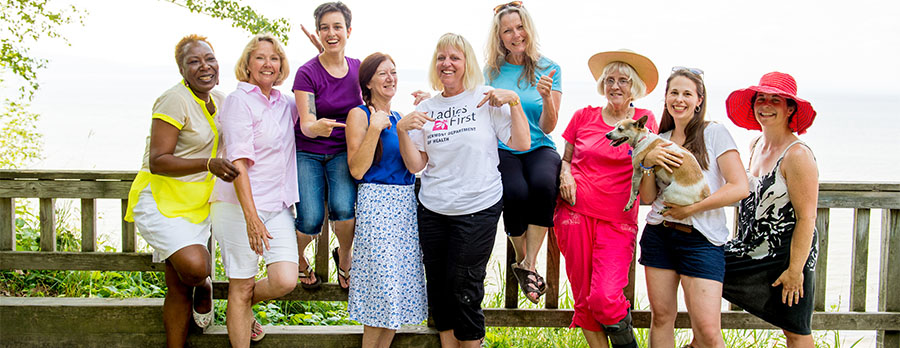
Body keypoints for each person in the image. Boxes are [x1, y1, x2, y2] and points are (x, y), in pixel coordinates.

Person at [396, 33, 530, 348]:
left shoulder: (484, 97)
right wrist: (403, 130)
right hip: (433, 209)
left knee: (465, 288)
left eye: (455, 57)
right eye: (442, 57)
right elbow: (417, 165)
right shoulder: (427, 107)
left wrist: (514, 102)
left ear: (466, 62)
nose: (447, 64)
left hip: (478, 208)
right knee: (440, 289)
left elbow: (521, 143)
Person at [124, 34, 237, 348]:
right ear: (182, 71)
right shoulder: (174, 99)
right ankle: (204, 284)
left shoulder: (224, 101)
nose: (205, 66)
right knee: (195, 267)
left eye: (209, 59)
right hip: (161, 199)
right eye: (194, 61)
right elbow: (158, 161)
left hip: (197, 203)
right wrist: (209, 164)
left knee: (176, 287)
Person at [637, 68, 750, 348]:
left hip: (702, 240)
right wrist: (647, 163)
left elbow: (739, 186)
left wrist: (692, 209)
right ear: (665, 99)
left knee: (708, 332)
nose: (680, 99)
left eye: (687, 93)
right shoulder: (658, 138)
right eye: (674, 93)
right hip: (659, 235)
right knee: (662, 318)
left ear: (699, 100)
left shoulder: (714, 133)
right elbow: (649, 198)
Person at [554, 50, 658, 348]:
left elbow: (651, 159)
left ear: (633, 86)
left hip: (618, 220)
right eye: (609, 79)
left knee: (605, 297)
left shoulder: (643, 121)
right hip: (575, 215)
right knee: (584, 300)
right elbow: (566, 159)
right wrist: (566, 175)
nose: (615, 86)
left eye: (623, 80)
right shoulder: (583, 116)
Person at [209, 34, 299, 346]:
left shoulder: (285, 102)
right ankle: (240, 309)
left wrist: (327, 60)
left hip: (278, 206)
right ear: (247, 64)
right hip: (238, 208)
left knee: (285, 279)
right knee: (241, 285)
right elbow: (238, 164)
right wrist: (251, 216)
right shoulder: (238, 101)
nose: (268, 64)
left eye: (274, 58)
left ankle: (242, 308)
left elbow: (318, 106)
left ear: (281, 66)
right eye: (260, 57)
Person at [722, 72, 819, 348]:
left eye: (775, 100)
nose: (765, 105)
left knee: (795, 330)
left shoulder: (797, 155)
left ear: (790, 108)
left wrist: (795, 271)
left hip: (787, 256)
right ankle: (703, 340)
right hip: (750, 248)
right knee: (704, 263)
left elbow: (807, 217)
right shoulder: (755, 145)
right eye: (760, 98)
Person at [344, 52, 428, 348]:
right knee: (382, 289)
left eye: (393, 72)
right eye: (382, 73)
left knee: (396, 296)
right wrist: (374, 128)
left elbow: (418, 162)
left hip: (405, 206)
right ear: (367, 81)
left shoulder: (398, 118)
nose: (390, 78)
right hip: (376, 203)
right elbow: (357, 169)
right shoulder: (360, 115)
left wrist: (429, 109)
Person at [485, 1, 562, 304]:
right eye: (508, 31)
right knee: (514, 191)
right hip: (505, 146)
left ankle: (527, 265)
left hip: (539, 145)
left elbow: (548, 125)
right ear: (500, 37)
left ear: (528, 29)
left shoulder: (549, 68)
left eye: (520, 28)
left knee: (544, 185)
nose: (516, 35)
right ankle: (524, 258)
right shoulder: (490, 71)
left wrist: (548, 99)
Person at [293, 1, 361, 290]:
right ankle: (298, 258)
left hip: (342, 152)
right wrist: (317, 127)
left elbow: (378, 99)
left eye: (337, 27)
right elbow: (306, 122)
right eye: (324, 28)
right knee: (310, 218)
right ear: (318, 33)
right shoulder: (306, 73)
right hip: (308, 151)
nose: (331, 33)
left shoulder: (359, 69)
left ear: (348, 30)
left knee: (344, 209)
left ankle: (344, 258)